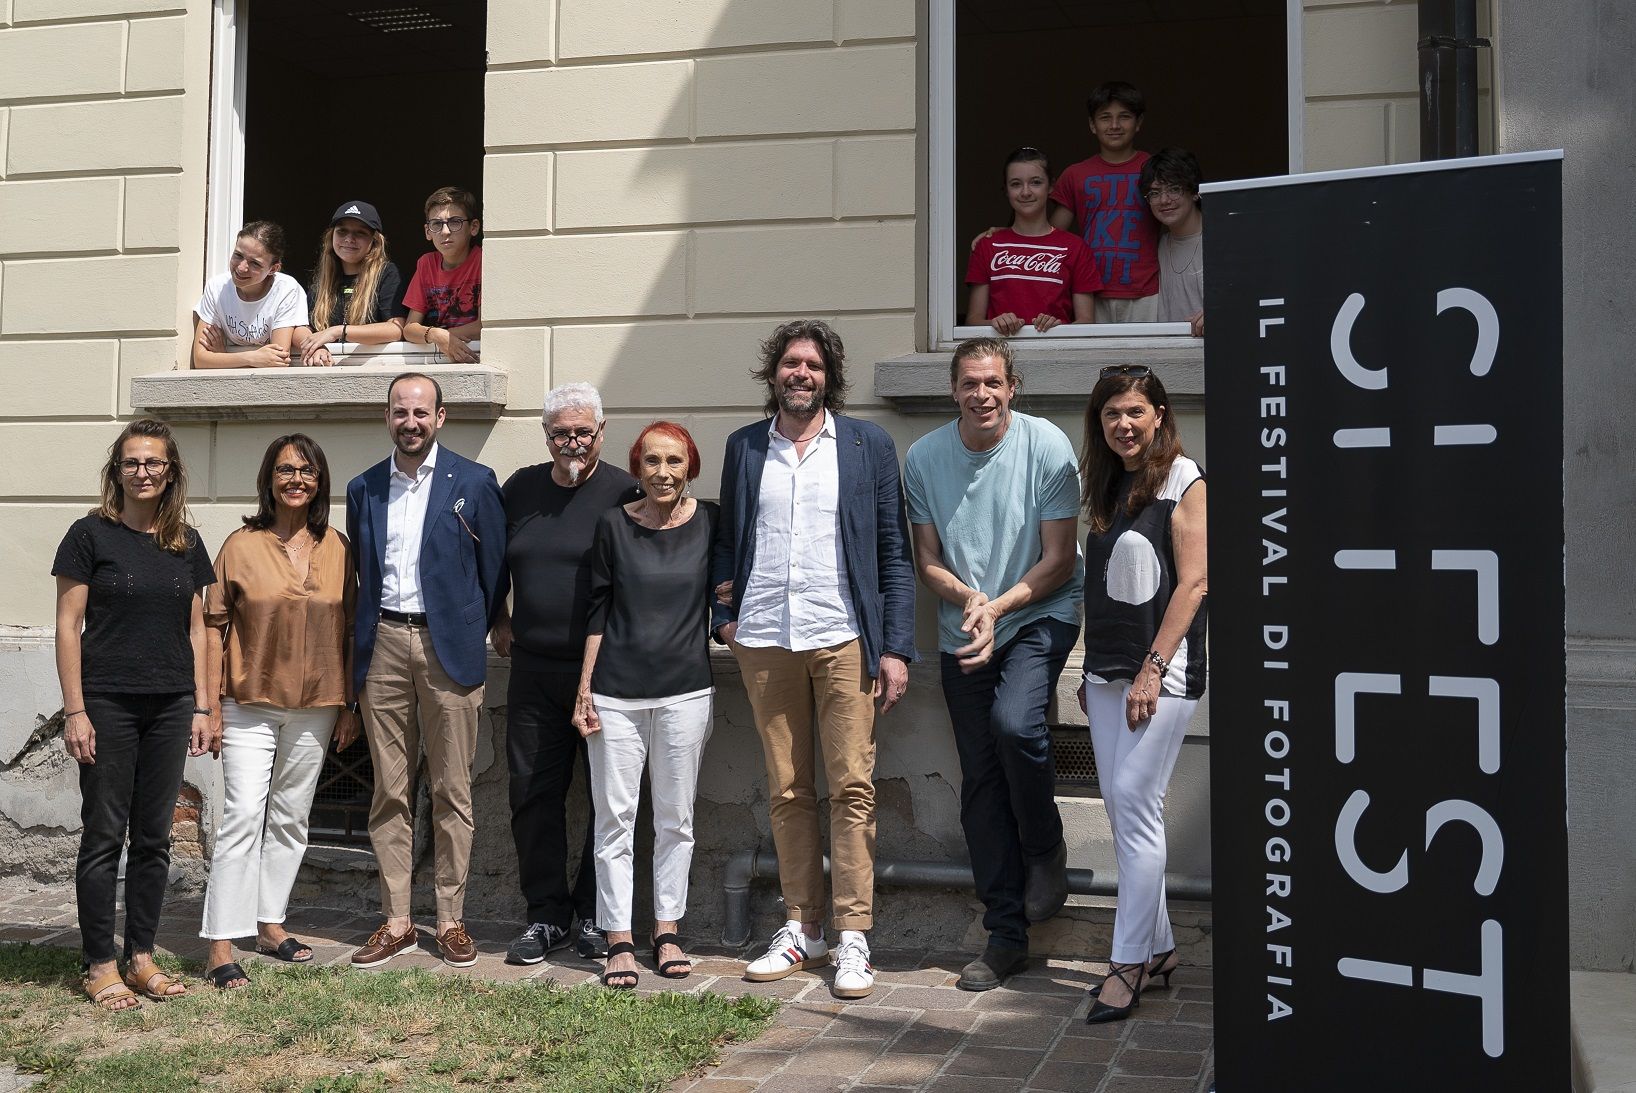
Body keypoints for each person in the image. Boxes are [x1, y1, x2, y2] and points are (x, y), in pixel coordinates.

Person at [712, 318, 916, 1000]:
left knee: (853, 785)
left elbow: (892, 550)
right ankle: (803, 925)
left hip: (843, 634)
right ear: (774, 373)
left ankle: (853, 933)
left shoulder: (865, 445)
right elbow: (728, 538)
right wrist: (723, 616)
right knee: (788, 787)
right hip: (765, 635)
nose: (802, 373)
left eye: (814, 365)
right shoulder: (746, 446)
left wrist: (895, 647)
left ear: (830, 377)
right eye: (791, 363)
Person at [904, 338, 1084, 992]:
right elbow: (927, 560)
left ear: (1012, 387)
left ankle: (1043, 847)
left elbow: (1059, 559)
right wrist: (969, 600)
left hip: (1039, 612)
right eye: (970, 383)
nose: (982, 394)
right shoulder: (924, 458)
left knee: (1016, 725)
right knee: (980, 777)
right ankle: (1005, 933)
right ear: (954, 390)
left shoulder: (1047, 446)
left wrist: (999, 606)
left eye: (993, 382)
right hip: (967, 622)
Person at [52, 419, 215, 1008]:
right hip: (107, 702)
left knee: (154, 839)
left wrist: (201, 704)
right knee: (103, 835)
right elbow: (68, 625)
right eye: (132, 462)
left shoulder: (184, 542)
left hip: (170, 704)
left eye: (154, 462)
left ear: (170, 472)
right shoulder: (89, 535)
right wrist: (76, 710)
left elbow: (197, 629)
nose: (143, 472)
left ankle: (141, 957)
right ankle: (99, 964)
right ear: (116, 471)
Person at [346, 372, 505, 969]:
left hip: (449, 647)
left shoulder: (475, 481)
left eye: (420, 412)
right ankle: (397, 921)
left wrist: (474, 625)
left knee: (451, 788)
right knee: (389, 789)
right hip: (384, 642)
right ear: (386, 417)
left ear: (440, 418)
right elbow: (363, 572)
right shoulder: (364, 488)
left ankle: (450, 919)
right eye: (399, 412)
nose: (409, 422)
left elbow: (495, 570)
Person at [197, 434, 360, 990]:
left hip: (318, 705)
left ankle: (269, 924)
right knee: (244, 815)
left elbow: (350, 630)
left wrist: (349, 705)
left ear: (320, 482)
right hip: (248, 703)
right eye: (286, 470)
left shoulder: (339, 547)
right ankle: (221, 944)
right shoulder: (240, 545)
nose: (296, 479)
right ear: (269, 479)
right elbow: (213, 629)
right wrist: (209, 706)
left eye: (307, 471)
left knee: (291, 817)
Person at [489, 383, 639, 965]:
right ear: (546, 436)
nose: (572, 443)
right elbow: (492, 561)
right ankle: (546, 915)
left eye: (583, 432)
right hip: (532, 667)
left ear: (601, 432)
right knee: (532, 793)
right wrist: (498, 616)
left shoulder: (625, 492)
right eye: (561, 433)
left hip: (606, 671)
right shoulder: (521, 489)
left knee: (609, 799)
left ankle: (598, 913)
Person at [1077, 364, 1208, 1023]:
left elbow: (1194, 583)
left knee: (1135, 803)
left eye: (1134, 412)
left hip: (1163, 671)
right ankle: (1158, 949)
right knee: (1126, 811)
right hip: (1107, 671)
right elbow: (1103, 590)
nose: (1123, 425)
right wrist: (1090, 671)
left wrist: (1153, 668)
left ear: (1159, 414)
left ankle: (1126, 962)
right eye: (1111, 414)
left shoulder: (1185, 479)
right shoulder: (1109, 483)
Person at [573, 422, 719, 989]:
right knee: (615, 819)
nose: (663, 472)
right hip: (616, 693)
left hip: (686, 691)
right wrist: (585, 690)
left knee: (676, 818)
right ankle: (618, 938)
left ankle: (667, 931)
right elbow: (598, 610)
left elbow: (728, 590)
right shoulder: (613, 525)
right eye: (652, 461)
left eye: (674, 462)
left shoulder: (710, 522)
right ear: (637, 468)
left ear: (690, 468)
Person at [1049, 82, 1161, 323]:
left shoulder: (1154, 169)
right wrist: (1005, 236)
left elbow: (1180, 218)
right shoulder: (1075, 174)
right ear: (1092, 124)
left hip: (1146, 291)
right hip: (1090, 292)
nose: (1114, 125)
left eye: (1124, 117)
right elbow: (1051, 237)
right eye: (1105, 117)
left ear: (1139, 122)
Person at [967, 147, 1099, 335]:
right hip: (1000, 348)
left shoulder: (1075, 247)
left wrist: (1059, 327)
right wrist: (996, 323)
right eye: (1016, 184)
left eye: (1036, 182)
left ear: (1051, 186)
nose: (1025, 192)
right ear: (1006, 190)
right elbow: (973, 321)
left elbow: (1086, 321)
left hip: (1056, 348)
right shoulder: (987, 245)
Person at [298, 200, 409, 366]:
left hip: (374, 367)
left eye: (360, 233)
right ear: (331, 236)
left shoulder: (387, 273)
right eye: (342, 231)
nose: (349, 239)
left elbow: (396, 329)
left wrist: (338, 331)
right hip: (326, 368)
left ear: (375, 241)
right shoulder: (323, 277)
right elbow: (301, 327)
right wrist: (316, 346)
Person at [191, 221, 307, 369]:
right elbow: (200, 360)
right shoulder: (217, 288)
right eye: (238, 255)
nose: (241, 268)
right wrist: (251, 358)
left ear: (273, 269)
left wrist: (222, 358)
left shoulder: (286, 289)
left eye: (255, 263)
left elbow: (277, 361)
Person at [403, 186, 482, 364]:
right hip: (436, 357)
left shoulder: (484, 261)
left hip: (475, 356)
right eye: (437, 224)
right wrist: (436, 335)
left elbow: (484, 326)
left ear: (474, 227)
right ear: (428, 232)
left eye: (455, 222)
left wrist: (444, 337)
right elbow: (409, 329)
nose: (445, 231)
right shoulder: (426, 264)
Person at [1141, 148, 1206, 338]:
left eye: (1174, 189)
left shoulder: (1223, 242)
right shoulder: (1159, 245)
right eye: (1155, 193)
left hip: (1215, 348)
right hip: (1171, 350)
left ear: (1195, 192)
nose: (1164, 200)